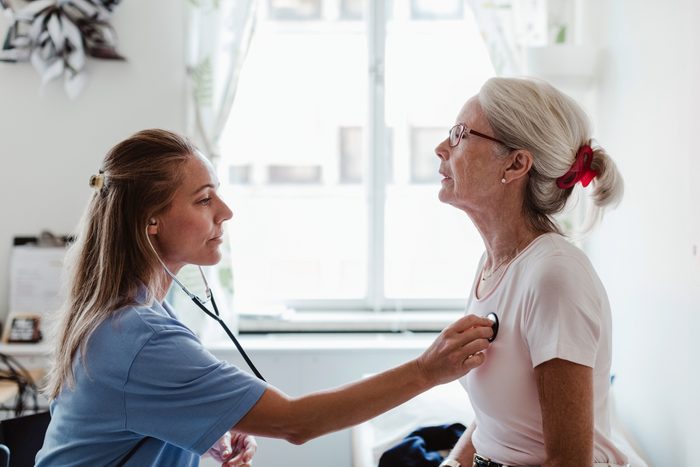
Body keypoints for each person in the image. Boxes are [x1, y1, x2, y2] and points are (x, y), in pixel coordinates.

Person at [35, 129, 495, 467]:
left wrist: (202, 427)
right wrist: (428, 369)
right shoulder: (140, 337)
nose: (225, 212)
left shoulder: (129, 313)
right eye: (203, 199)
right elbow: (297, 423)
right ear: (149, 220)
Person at [434, 77, 632, 467]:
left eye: (459, 135)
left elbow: (569, 462)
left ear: (516, 163)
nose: (441, 148)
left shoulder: (554, 277)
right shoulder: (493, 265)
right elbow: (503, 419)